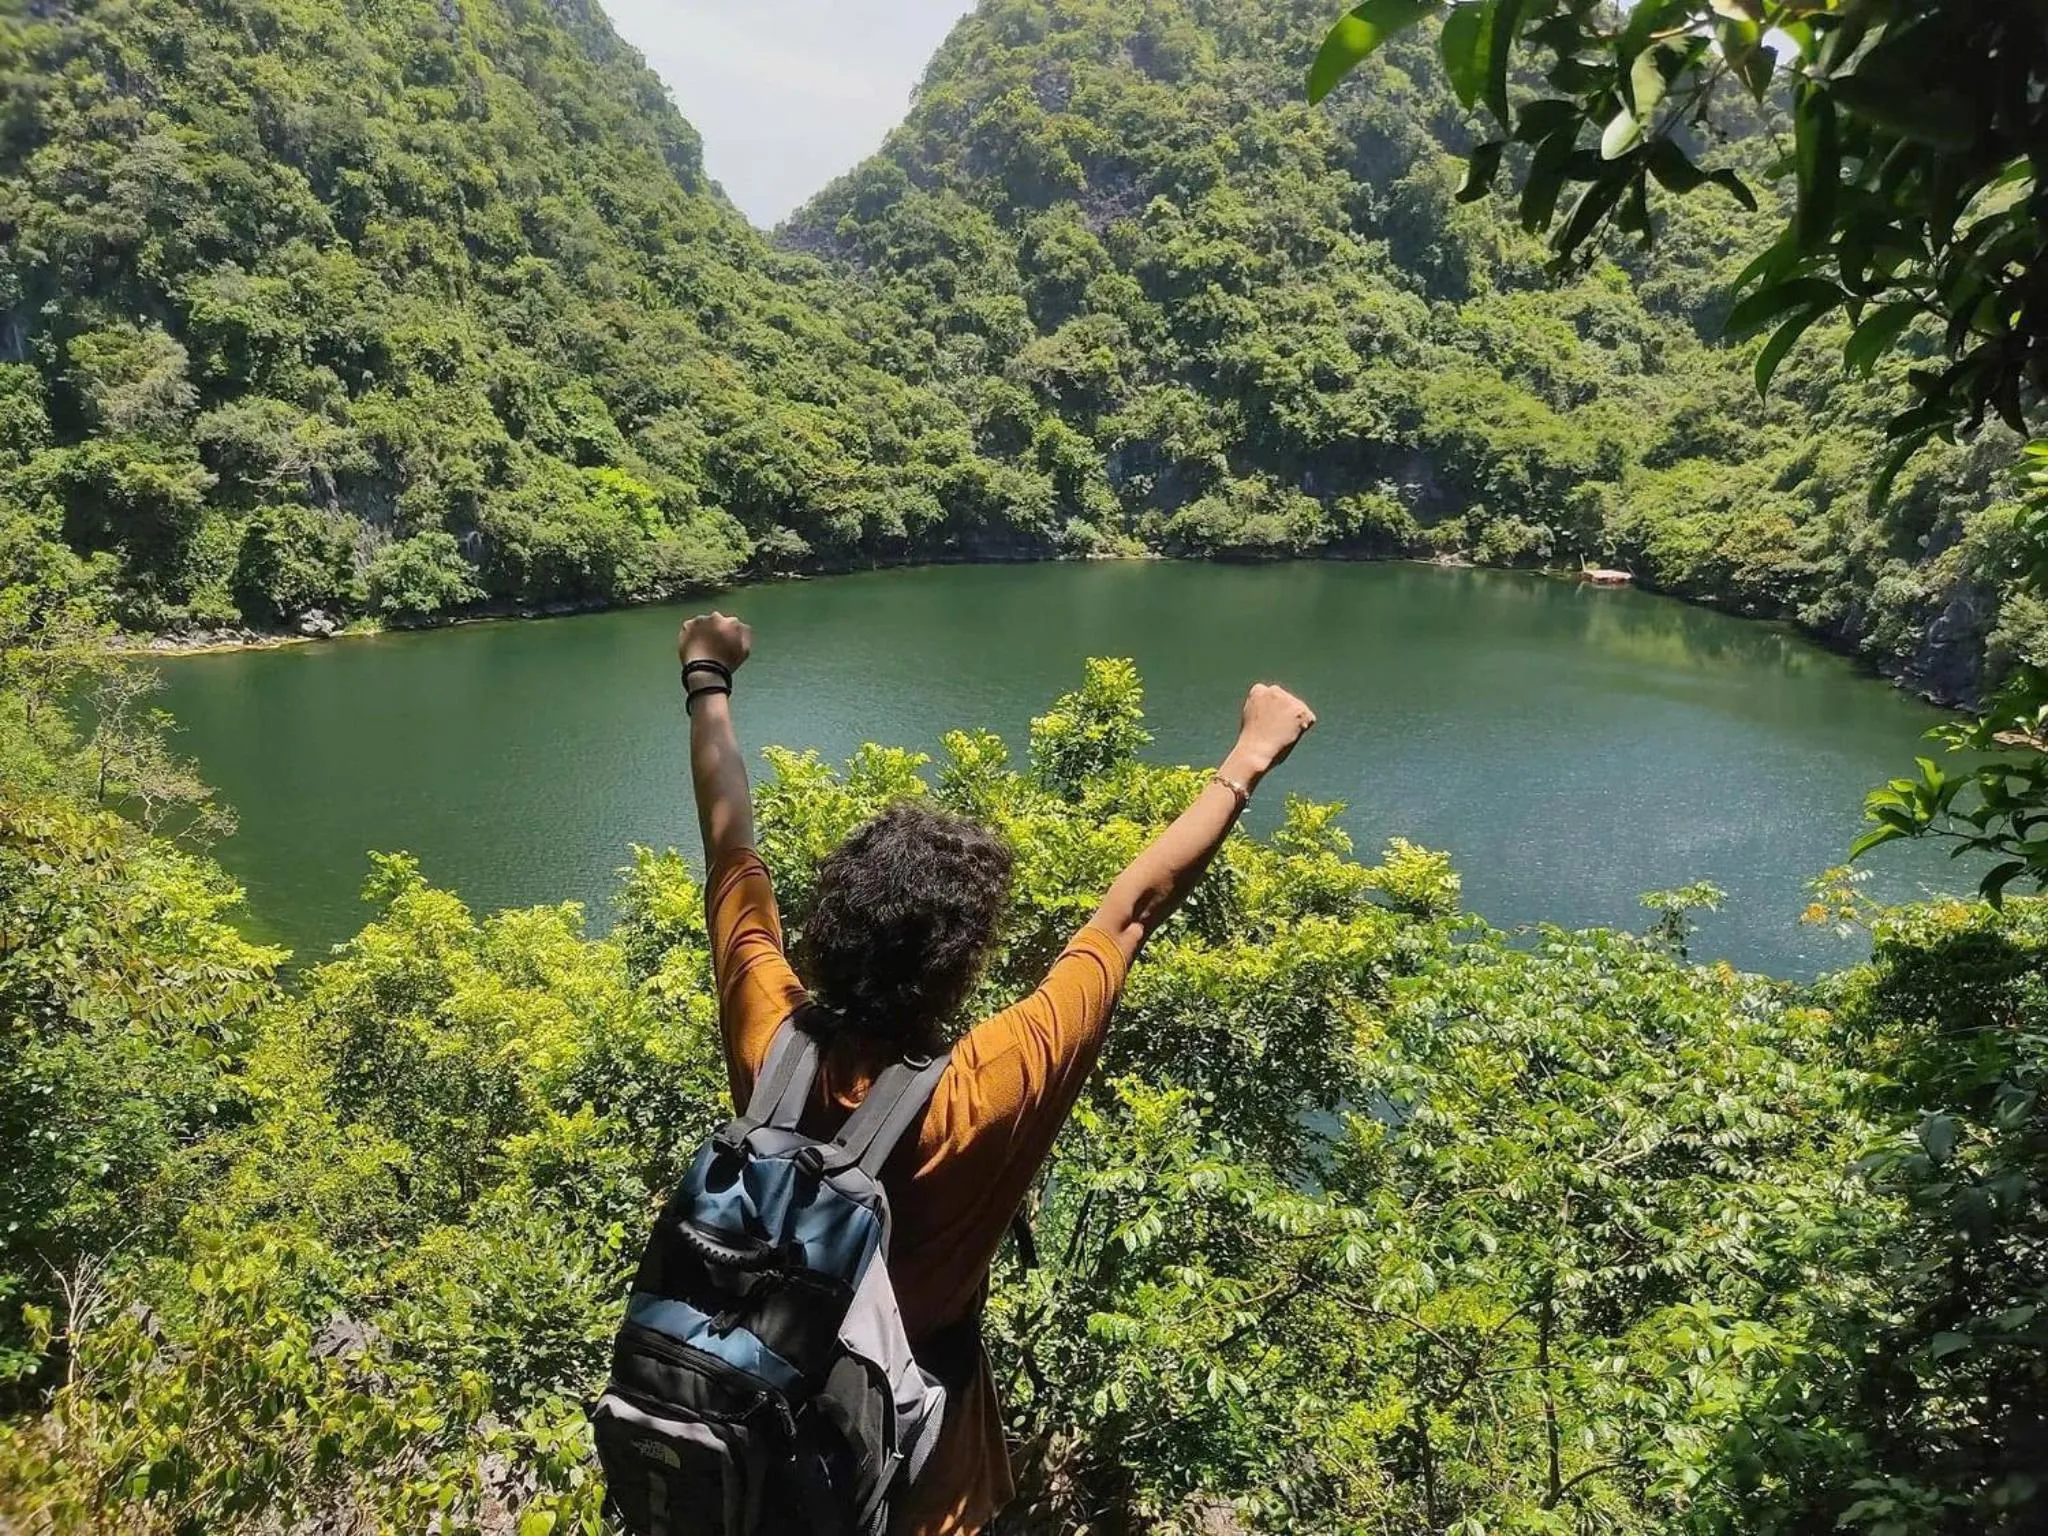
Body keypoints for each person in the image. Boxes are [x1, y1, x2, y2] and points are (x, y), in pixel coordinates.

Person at [677, 610, 1316, 1536]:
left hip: (753, 1432)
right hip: (915, 1471)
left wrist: (708, 677)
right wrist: (1248, 757)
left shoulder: (769, 1036)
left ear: (826, 924)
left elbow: (730, 846)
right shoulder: (989, 1085)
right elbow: (1130, 913)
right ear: (965, 961)